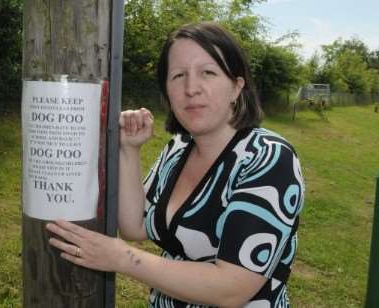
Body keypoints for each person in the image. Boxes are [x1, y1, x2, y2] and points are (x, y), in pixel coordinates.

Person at [46, 22, 305, 307]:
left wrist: (123, 259)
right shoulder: (179, 148)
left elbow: (233, 287)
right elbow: (135, 227)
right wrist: (130, 150)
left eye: (208, 72)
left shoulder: (268, 159)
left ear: (236, 87)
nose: (191, 88)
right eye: (178, 76)